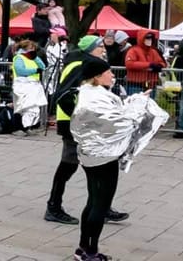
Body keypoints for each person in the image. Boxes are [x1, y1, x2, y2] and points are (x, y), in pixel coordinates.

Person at [47, 36, 124, 225]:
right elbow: (62, 95)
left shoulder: (88, 64)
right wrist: (78, 117)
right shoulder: (77, 65)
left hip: (87, 123)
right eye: (99, 46)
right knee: (69, 164)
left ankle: (102, 206)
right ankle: (54, 206)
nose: (103, 49)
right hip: (73, 123)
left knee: (97, 165)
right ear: (89, 49)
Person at [67, 55, 133, 261]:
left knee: (93, 200)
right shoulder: (97, 97)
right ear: (96, 77)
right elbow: (120, 123)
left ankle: (83, 247)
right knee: (101, 204)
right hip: (103, 156)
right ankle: (91, 251)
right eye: (109, 72)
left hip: (89, 154)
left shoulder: (88, 93)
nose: (112, 75)